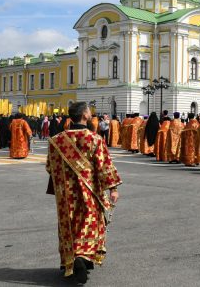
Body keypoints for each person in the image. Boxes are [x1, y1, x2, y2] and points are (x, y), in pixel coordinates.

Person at [46, 101, 121, 284]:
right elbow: (104, 167)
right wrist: (113, 188)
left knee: (68, 224)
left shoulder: (57, 141)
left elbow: (50, 167)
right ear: (85, 115)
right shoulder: (94, 139)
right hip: (89, 192)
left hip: (66, 195)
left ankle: (69, 261)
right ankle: (82, 257)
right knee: (88, 223)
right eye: (89, 111)